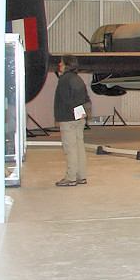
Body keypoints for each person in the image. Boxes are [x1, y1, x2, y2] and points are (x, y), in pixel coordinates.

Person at [53, 55, 91, 187]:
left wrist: (74, 111)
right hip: (79, 118)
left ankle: (70, 177)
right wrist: (84, 113)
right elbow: (86, 98)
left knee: (70, 148)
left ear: (66, 65)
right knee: (80, 147)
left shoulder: (64, 80)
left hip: (68, 118)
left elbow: (66, 99)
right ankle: (81, 176)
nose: (59, 64)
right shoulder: (78, 79)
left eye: (61, 62)